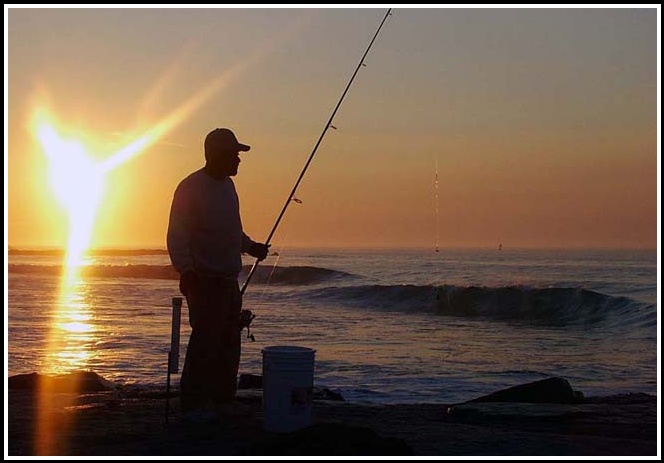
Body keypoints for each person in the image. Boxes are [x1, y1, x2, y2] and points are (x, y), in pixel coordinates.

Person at [166, 127, 269, 422]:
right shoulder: (190, 187)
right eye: (234, 154)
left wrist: (251, 247)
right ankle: (194, 405)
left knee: (228, 343)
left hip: (228, 280)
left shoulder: (228, 188)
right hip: (204, 280)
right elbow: (177, 235)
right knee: (204, 343)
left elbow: (231, 231)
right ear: (217, 154)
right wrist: (186, 271)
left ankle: (223, 400)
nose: (238, 160)